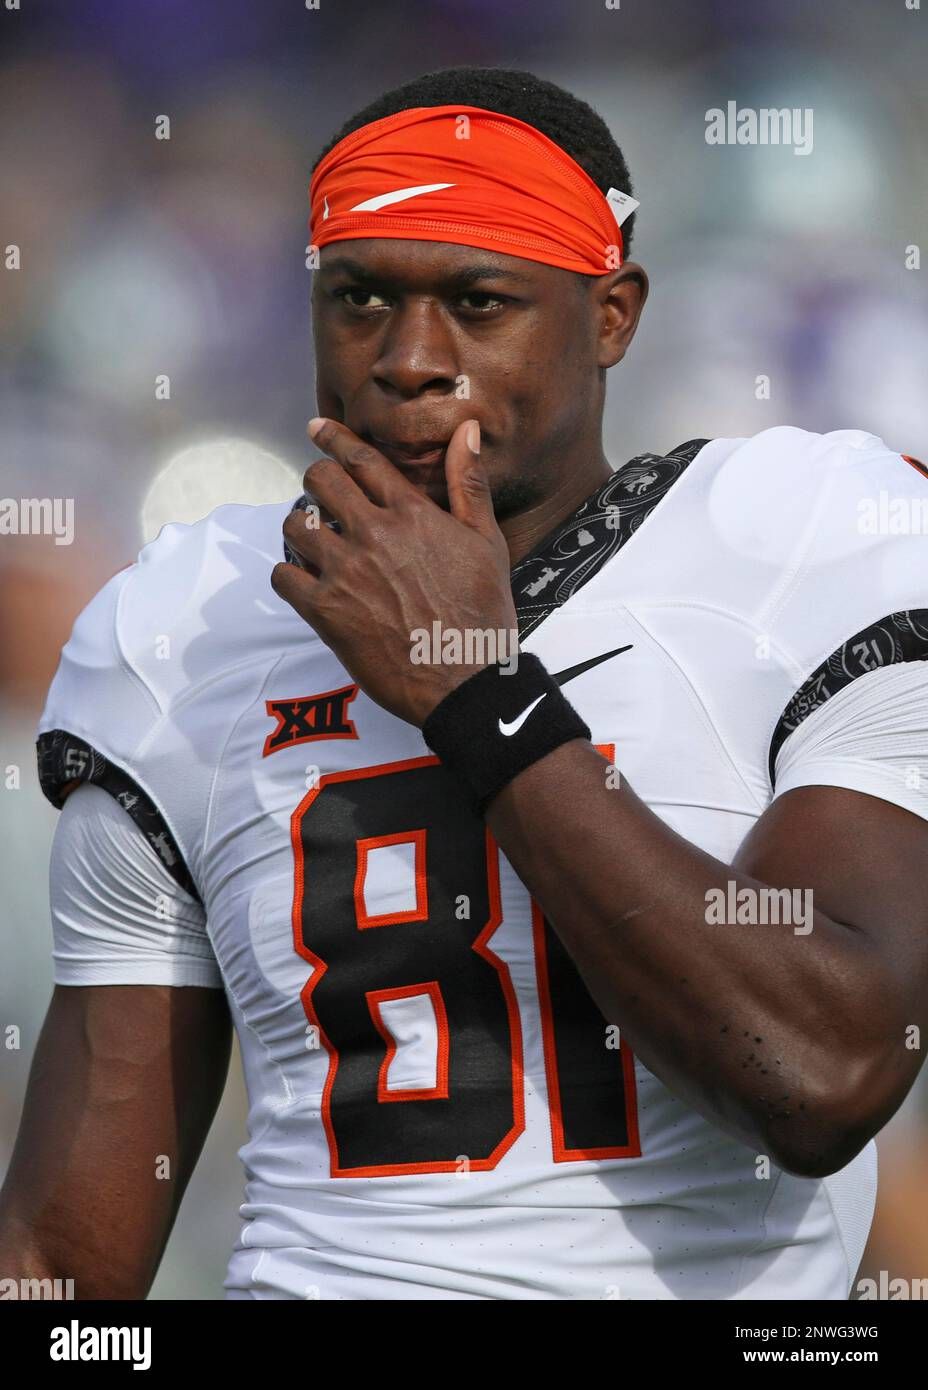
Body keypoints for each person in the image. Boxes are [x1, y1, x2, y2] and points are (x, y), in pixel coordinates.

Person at [2, 65, 927, 1301]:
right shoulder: (187, 625)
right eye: (360, 298)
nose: (408, 359)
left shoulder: (802, 542)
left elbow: (821, 1074)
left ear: (612, 315)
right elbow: (62, 1265)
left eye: (478, 303)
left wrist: (473, 690)